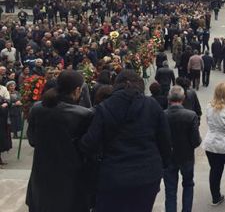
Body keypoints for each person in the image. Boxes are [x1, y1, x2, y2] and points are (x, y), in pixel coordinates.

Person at [80, 70, 172, 212]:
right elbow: (165, 141)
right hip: (147, 175)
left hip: (113, 176)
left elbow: (90, 143)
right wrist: (161, 165)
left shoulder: (105, 107)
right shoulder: (152, 105)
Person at [26, 70, 93, 212]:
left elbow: (32, 140)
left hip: (41, 177)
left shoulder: (37, 108)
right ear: (77, 90)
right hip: (71, 182)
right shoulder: (84, 115)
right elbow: (88, 148)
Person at [164, 86, 202, 212]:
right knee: (188, 184)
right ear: (183, 98)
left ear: (169, 99)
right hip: (186, 157)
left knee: (170, 190)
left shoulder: (163, 115)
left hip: (168, 156)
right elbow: (196, 141)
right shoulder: (191, 115)